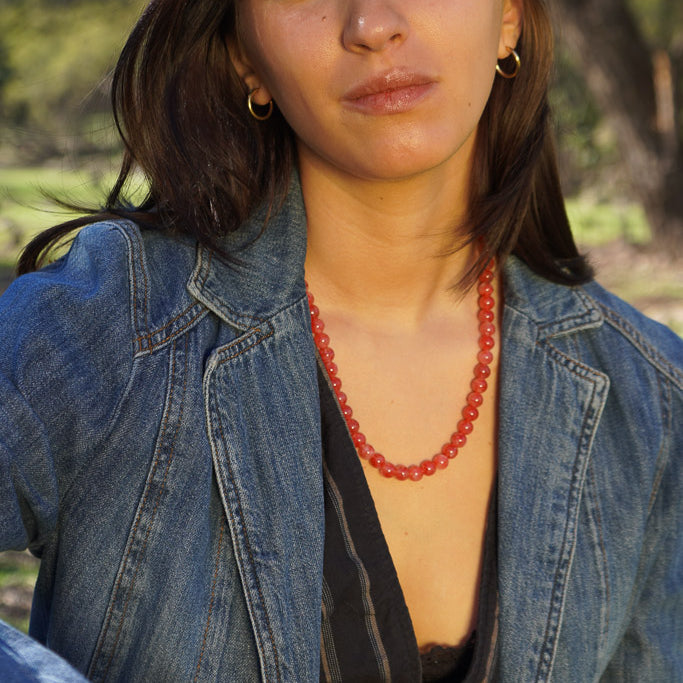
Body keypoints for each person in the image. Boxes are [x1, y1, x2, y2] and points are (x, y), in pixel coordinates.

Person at [0, 0, 681, 680]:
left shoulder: (651, 400)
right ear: (244, 56)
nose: (372, 25)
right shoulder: (116, 326)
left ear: (508, 17)